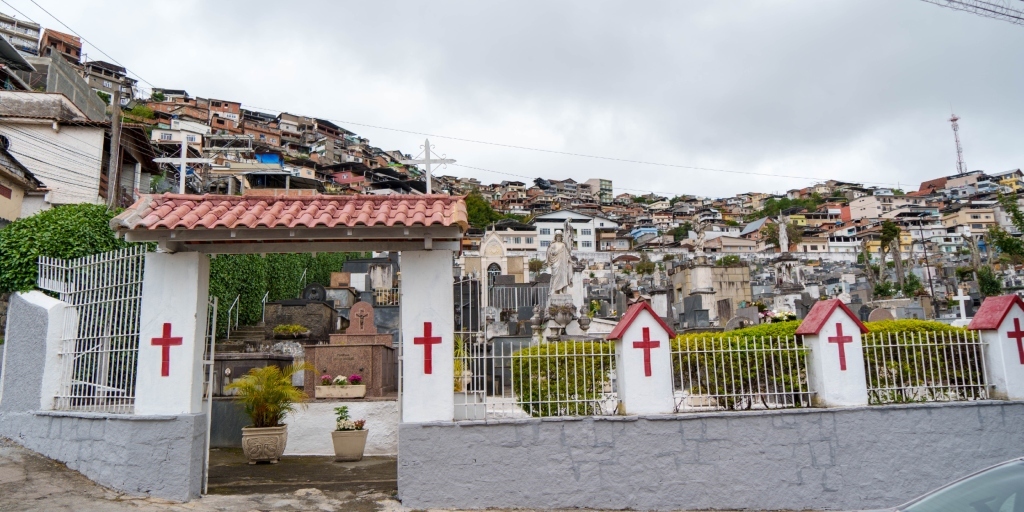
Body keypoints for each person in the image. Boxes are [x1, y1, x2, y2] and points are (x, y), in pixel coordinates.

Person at [546, 230, 573, 295]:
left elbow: (567, 254)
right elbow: (549, 253)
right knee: (555, 276)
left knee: (563, 276)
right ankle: (555, 290)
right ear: (555, 237)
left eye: (560, 236)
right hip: (555, 262)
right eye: (557, 236)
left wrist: (570, 260)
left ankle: (561, 290)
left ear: (561, 237)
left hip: (562, 262)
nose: (558, 238)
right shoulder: (553, 244)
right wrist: (552, 252)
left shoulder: (563, 245)